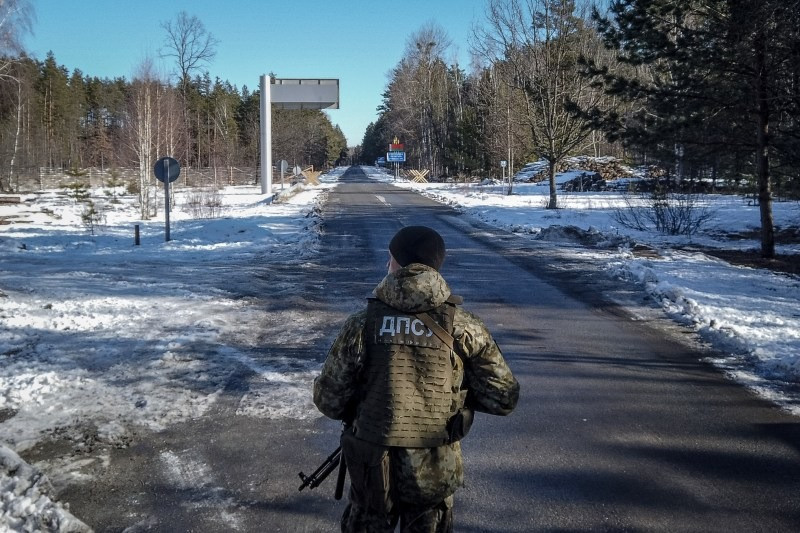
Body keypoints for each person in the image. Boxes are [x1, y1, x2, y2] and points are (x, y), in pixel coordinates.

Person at [313, 225, 520, 533]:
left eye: (391, 258)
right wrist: (451, 395)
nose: (387, 264)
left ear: (398, 263)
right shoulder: (464, 326)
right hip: (433, 467)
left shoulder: (361, 324)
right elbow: (504, 397)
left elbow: (329, 401)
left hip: (371, 466)